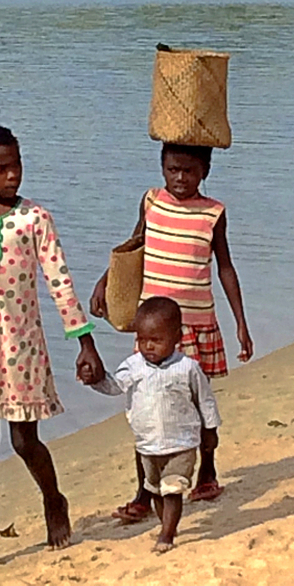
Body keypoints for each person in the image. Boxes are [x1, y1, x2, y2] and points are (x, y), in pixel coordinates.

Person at [0, 122, 105, 575]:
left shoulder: (34, 220)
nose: (13, 176)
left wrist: (84, 342)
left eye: (17, 166)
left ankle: (54, 500)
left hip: (22, 346)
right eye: (1, 168)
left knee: (24, 439)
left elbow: (59, 284)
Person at [90, 143, 253, 521]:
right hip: (153, 327)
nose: (180, 179)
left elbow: (225, 267)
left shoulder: (213, 214)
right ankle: (145, 492)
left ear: (204, 172)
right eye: (173, 170)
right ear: (162, 168)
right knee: (146, 407)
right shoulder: (151, 202)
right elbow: (133, 249)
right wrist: (105, 282)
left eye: (189, 171)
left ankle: (207, 471)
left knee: (197, 406)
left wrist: (240, 323)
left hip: (196, 325)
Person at [80, 297, 221, 553]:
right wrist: (94, 379)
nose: (148, 346)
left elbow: (206, 400)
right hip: (147, 446)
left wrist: (210, 431)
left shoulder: (187, 368)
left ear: (176, 337)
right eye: (142, 340)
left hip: (182, 444)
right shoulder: (133, 366)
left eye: (156, 340)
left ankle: (166, 535)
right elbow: (114, 386)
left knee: (172, 489)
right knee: (155, 490)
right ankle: (168, 524)